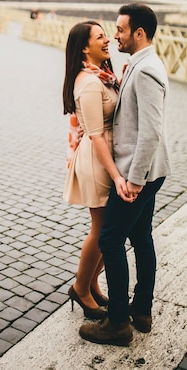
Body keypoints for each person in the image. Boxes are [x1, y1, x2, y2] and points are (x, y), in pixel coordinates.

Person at [79, 3, 172, 346]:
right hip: (150, 169)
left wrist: (133, 179)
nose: (114, 35)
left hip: (141, 172)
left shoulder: (146, 70)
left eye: (119, 30)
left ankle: (118, 322)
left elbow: (150, 132)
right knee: (141, 236)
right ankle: (142, 310)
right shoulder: (141, 63)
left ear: (138, 33)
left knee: (110, 239)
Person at [62, 21, 132, 321]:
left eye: (106, 35)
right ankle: (80, 287)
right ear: (84, 48)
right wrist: (116, 175)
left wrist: (123, 80)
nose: (107, 40)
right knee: (103, 231)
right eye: (100, 37)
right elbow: (94, 133)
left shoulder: (102, 76)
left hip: (105, 157)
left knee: (109, 230)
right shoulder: (89, 82)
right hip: (97, 160)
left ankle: (90, 282)